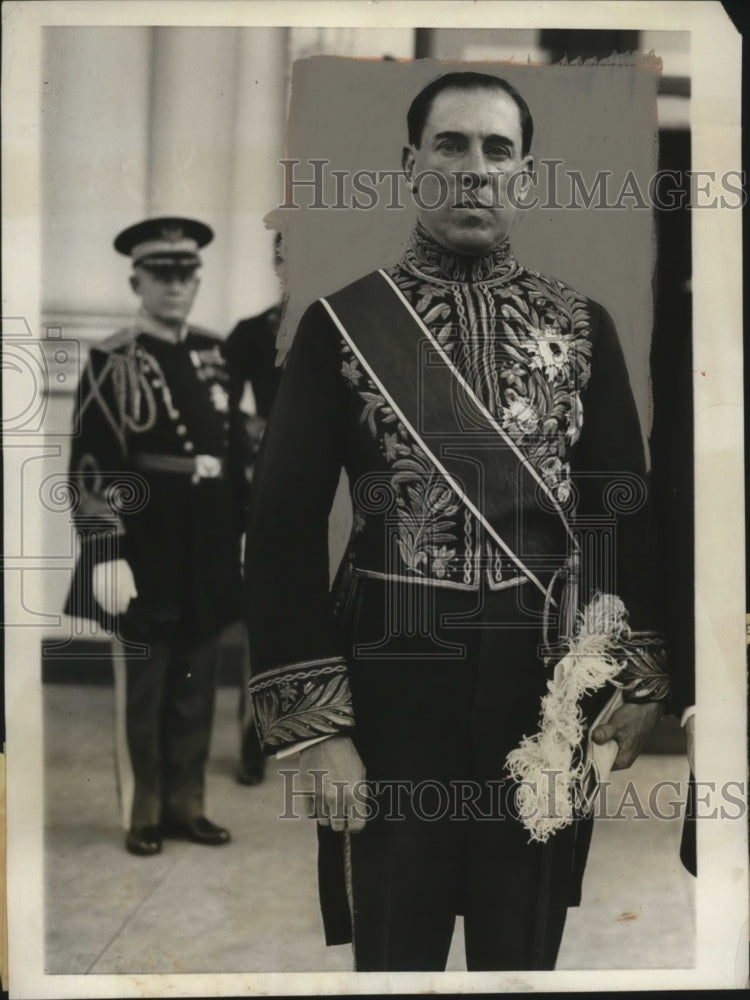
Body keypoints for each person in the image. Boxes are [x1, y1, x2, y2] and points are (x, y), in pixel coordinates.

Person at [245, 73, 677, 970]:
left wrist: (638, 677)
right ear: (412, 166)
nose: (474, 170)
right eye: (451, 146)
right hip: (395, 683)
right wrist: (319, 733)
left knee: (522, 954)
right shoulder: (339, 327)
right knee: (396, 951)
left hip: (544, 690)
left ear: (524, 175)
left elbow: (618, 513)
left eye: (497, 150)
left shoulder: (583, 326)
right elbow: (282, 528)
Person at [66, 216, 248, 856]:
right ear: (136, 280)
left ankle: (186, 804)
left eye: (186, 273)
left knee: (197, 686)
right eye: (161, 275)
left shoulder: (213, 351)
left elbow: (235, 445)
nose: (176, 285)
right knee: (145, 690)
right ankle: (141, 811)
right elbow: (92, 464)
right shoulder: (113, 359)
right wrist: (105, 550)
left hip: (207, 545)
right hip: (144, 548)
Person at [223, 232, 285, 785]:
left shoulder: (355, 324)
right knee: (264, 606)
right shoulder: (250, 333)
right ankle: (253, 727)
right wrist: (256, 441)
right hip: (274, 488)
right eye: (286, 254)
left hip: (351, 491)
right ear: (276, 261)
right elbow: (219, 409)